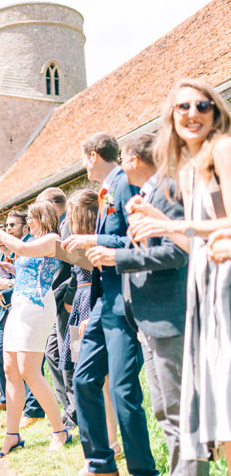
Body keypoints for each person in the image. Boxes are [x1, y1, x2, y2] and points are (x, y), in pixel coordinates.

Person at [86, 132, 206, 475]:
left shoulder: (170, 191)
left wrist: (116, 257)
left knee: (181, 413)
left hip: (169, 314)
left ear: (135, 160)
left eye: (122, 160)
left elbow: (177, 251)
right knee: (165, 411)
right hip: (147, 317)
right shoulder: (147, 193)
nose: (120, 167)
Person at [130, 79, 231, 473]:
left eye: (202, 106)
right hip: (205, 294)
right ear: (171, 116)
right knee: (220, 422)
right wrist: (162, 224)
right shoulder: (188, 173)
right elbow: (197, 244)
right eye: (183, 107)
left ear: (215, 112)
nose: (192, 114)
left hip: (228, 290)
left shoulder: (222, 150)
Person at [63, 132, 156, 476]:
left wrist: (93, 239)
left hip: (126, 301)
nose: (83, 164)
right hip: (105, 302)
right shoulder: (107, 189)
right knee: (84, 379)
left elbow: (138, 239)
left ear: (92, 155)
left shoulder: (124, 185)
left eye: (83, 158)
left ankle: (143, 469)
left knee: (122, 390)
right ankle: (101, 463)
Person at [0, 202, 71, 456]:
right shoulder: (32, 240)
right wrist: (11, 271)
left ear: (42, 217)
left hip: (37, 307)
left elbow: (21, 248)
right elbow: (29, 267)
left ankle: (60, 431)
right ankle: (12, 435)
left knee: (29, 371)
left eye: (31, 217)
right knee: (9, 369)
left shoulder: (51, 238)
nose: (27, 221)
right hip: (18, 304)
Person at [36, 187, 76, 429]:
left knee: (68, 357)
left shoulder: (68, 224)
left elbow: (77, 264)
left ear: (52, 204)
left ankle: (73, 415)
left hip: (68, 301)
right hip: (57, 301)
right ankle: (69, 410)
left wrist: (70, 298)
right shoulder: (58, 227)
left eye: (42, 210)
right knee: (52, 353)